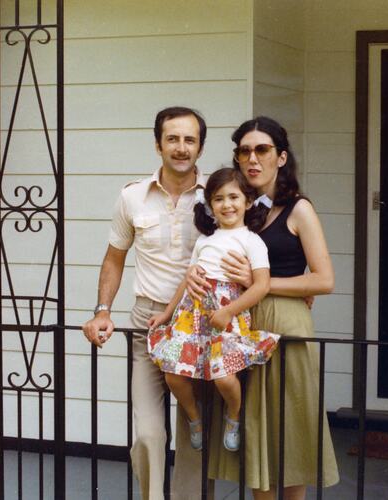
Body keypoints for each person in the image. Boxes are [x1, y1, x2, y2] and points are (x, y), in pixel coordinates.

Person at [189, 117, 340, 499]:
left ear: (281, 157)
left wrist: (263, 283)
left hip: (285, 325)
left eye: (263, 150)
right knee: (255, 433)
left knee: (289, 432)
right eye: (244, 150)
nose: (252, 158)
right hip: (242, 323)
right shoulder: (237, 209)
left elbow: (324, 279)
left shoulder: (298, 209)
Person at [82, 106, 209, 500]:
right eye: (172, 138)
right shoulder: (132, 196)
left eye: (189, 139)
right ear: (158, 144)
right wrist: (102, 310)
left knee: (194, 432)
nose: (181, 147)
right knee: (149, 432)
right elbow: (114, 258)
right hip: (147, 323)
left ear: (200, 146)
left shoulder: (217, 196)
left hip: (200, 324)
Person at [147, 167, 280, 453]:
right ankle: (194, 418)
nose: (227, 204)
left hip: (226, 318)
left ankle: (233, 415)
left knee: (223, 377)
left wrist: (229, 311)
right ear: (210, 206)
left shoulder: (251, 241)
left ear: (247, 201)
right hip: (191, 317)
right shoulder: (204, 240)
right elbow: (188, 279)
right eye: (219, 199)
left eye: (234, 197)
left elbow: (261, 286)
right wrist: (167, 313)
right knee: (173, 373)